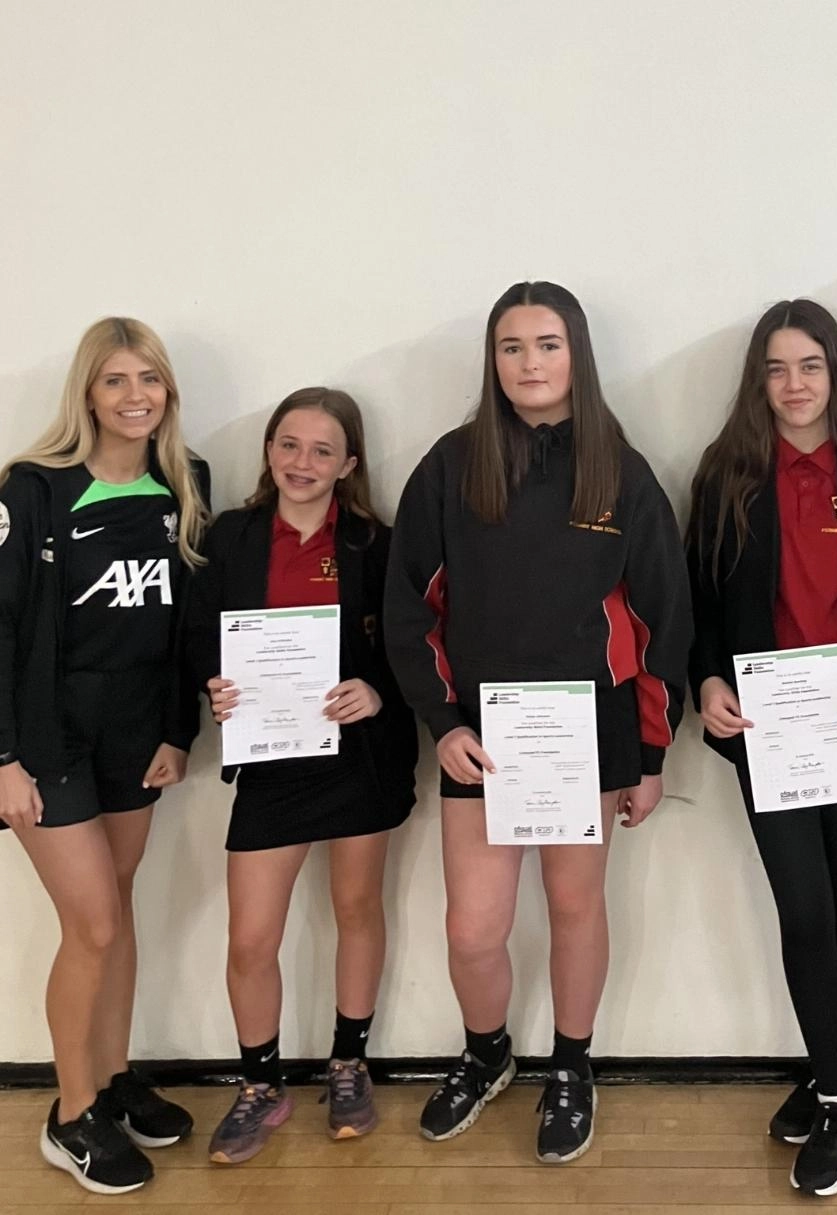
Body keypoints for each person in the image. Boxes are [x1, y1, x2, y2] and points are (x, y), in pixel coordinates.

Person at [385, 281, 691, 1164]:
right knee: (472, 929)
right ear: (493, 360)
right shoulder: (451, 464)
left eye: (547, 344)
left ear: (576, 354)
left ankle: (570, 1063)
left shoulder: (620, 470)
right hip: (478, 741)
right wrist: (441, 722)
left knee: (572, 905)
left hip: (587, 738)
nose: (529, 362)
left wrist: (650, 752)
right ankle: (486, 1052)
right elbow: (409, 608)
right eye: (511, 346)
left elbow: (662, 619)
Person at [686, 299, 837, 1196]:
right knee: (802, 907)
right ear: (757, 380)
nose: (793, 386)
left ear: (836, 373)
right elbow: (700, 607)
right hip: (766, 726)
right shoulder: (723, 476)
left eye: (809, 366)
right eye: (776, 369)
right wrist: (705, 681)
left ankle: (830, 1083)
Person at [0, 317, 209, 1195]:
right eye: (116, 380)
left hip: (137, 738)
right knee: (88, 923)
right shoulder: (35, 488)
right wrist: (5, 757)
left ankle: (115, 1081)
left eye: (149, 379)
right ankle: (69, 1112)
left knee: (115, 910)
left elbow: (184, 624)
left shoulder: (184, 485)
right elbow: (1, 630)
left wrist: (177, 730)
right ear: (88, 392)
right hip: (48, 740)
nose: (135, 397)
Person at [186, 387, 416, 1164]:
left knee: (356, 908)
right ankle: (261, 1084)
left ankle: (348, 1063)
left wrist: (378, 688)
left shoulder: (375, 544)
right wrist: (212, 687)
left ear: (348, 462)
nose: (302, 462)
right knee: (251, 937)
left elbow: (414, 642)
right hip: (270, 760)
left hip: (360, 758)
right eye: (289, 444)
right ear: (269, 452)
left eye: (322, 450)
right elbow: (198, 638)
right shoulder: (231, 538)